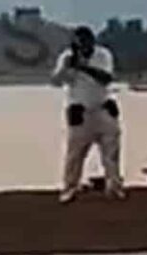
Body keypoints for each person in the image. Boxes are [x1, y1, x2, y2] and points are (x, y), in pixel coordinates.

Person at [50, 26, 122, 203]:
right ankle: (70, 187)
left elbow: (106, 78)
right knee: (75, 154)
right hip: (80, 111)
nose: (83, 46)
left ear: (91, 41)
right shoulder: (67, 57)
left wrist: (83, 67)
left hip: (103, 108)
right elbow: (56, 81)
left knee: (111, 152)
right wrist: (66, 68)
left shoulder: (102, 55)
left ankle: (114, 186)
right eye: (79, 43)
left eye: (85, 42)